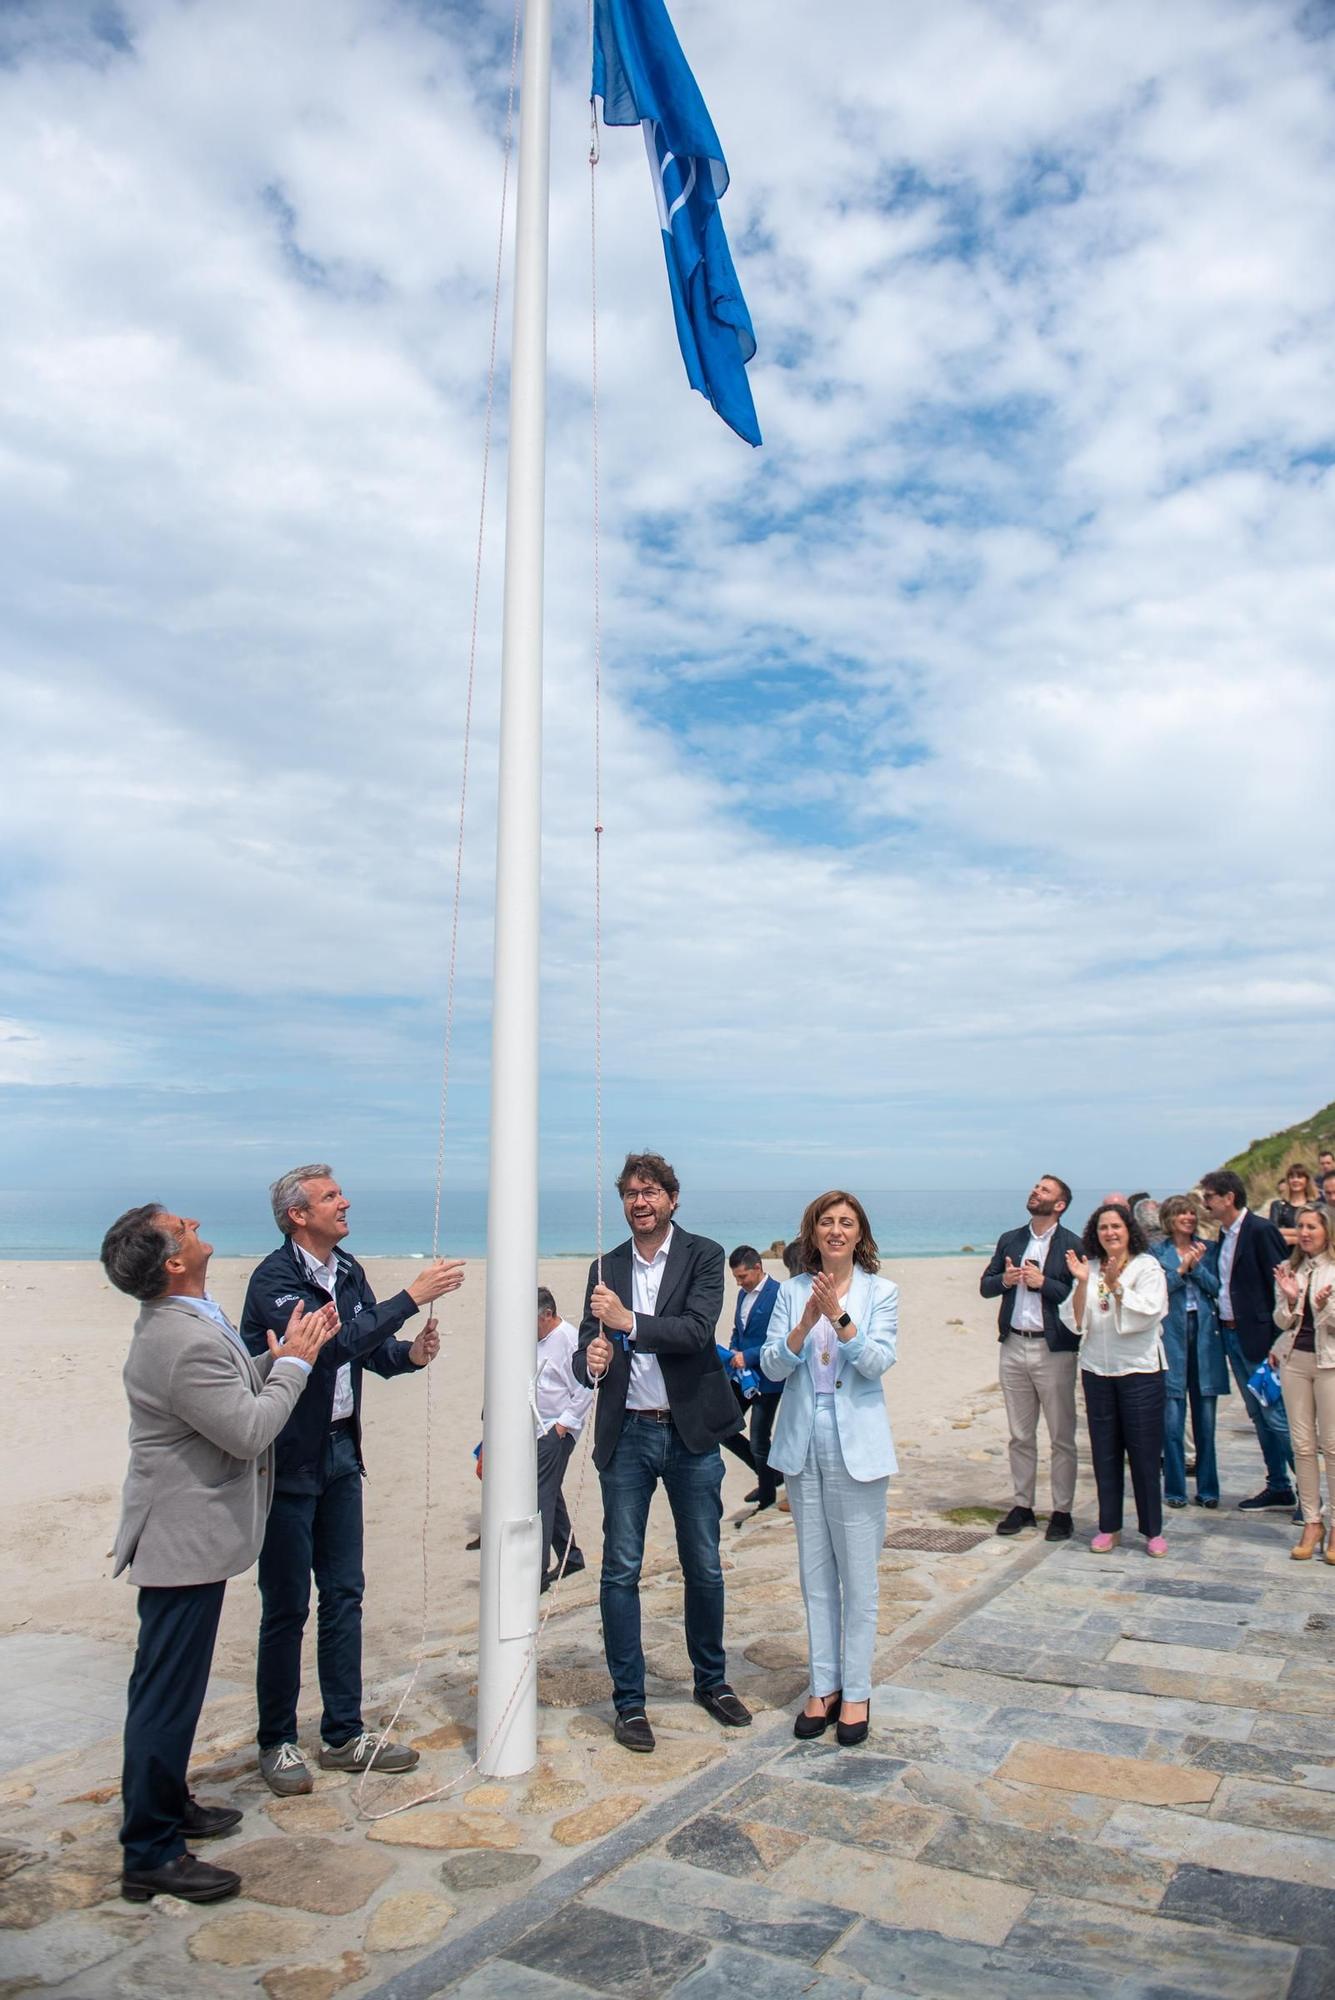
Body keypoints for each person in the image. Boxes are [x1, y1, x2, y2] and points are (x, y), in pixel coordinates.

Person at [102, 1205, 338, 1904]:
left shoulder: (188, 1321)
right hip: (182, 1539)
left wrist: (278, 1353)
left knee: (172, 1688)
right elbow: (248, 1429)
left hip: (193, 1536)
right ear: (173, 1262)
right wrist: (294, 1363)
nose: (199, 1221)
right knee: (166, 1697)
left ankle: (169, 1804)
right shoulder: (177, 1340)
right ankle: (149, 1850)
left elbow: (226, 1389)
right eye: (183, 1224)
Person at [240, 1165, 465, 1795]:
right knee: (285, 1607)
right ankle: (277, 1741)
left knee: (345, 1596)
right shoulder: (274, 1280)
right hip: (287, 1461)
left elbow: (370, 1352)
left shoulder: (349, 1270)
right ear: (298, 1216)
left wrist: (410, 1355)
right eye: (331, 1197)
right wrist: (410, 1298)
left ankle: (343, 1734)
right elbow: (329, 1347)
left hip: (342, 1452)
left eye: (340, 1193)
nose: (345, 1203)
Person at [574, 1152, 750, 1754]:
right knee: (620, 1569)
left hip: (691, 1434)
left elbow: (698, 1332)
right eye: (630, 1194)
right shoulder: (605, 1264)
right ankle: (629, 1703)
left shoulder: (704, 1255)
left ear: (672, 1198)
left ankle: (712, 1681)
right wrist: (590, 1359)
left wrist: (628, 1323)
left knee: (703, 1564)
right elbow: (583, 1347)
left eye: (649, 1192)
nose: (639, 1202)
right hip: (626, 1436)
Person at [761, 1191, 898, 1748]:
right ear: (812, 1232)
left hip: (856, 1442)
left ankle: (858, 1690)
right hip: (803, 1438)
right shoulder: (790, 1292)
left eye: (846, 1223)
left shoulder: (881, 1292)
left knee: (859, 1578)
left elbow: (877, 1362)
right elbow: (772, 1364)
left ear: (859, 1233)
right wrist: (804, 1323)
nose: (836, 1231)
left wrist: (839, 1319)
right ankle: (823, 1685)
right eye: (826, 1222)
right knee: (815, 1574)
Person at [1061, 1203, 1170, 1556]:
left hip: (1139, 1371)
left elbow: (1151, 1310)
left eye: (1116, 1227)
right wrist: (1082, 1283)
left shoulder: (1146, 1266)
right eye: (1103, 1227)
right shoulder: (1089, 1268)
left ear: (1129, 1230)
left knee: (1143, 1454)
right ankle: (1110, 1526)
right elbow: (1076, 1320)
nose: (1110, 1233)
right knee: (1104, 1452)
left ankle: (1152, 1530)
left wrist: (1116, 1286)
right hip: (1098, 1371)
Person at [979, 1175, 1080, 1541]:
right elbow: (985, 1286)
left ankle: (1062, 1511)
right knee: (1020, 1435)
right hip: (1013, 1345)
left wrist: (1043, 1284)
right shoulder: (1012, 1239)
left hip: (1054, 1350)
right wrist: (1005, 1280)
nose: (1035, 1192)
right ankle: (1023, 1505)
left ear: (1060, 1205)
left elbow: (1077, 1297)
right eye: (1036, 1187)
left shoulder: (1072, 1245)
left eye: (1045, 1190)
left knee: (1061, 1436)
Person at [1200, 1169, 1296, 1511]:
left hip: (1260, 1339)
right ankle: (1279, 1485)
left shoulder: (1260, 1230)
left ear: (1229, 1197)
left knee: (1277, 1414)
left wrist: (1277, 1343)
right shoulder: (1224, 1235)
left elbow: (1282, 1285)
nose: (1205, 1202)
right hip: (1231, 1335)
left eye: (1209, 1196)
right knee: (1258, 1413)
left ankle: (1310, 1495)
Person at [1154, 1196, 1230, 1510]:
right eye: (1181, 1212)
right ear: (1169, 1218)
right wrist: (1181, 1269)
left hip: (1204, 1336)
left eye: (1191, 1212)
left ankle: (1209, 1488)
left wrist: (1196, 1269)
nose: (1188, 1217)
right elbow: (1157, 1290)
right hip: (1172, 1334)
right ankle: (1174, 1488)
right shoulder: (1155, 1252)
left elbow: (1218, 1288)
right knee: (1172, 1419)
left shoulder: (1209, 1249)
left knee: (1206, 1419)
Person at [1272, 1207, 1335, 1562]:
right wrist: (1293, 1298)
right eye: (1301, 1226)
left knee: (1333, 1445)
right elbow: (1280, 1320)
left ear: (1328, 1230)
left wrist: (1324, 1306)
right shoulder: (1291, 1268)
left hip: (1330, 1363)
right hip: (1296, 1362)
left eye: (1312, 1226)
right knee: (1303, 1446)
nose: (1305, 1232)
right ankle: (1312, 1521)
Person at [535, 1287, 593, 1590]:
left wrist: (563, 1425)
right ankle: (571, 1556)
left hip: (557, 1429)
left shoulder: (569, 1339)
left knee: (539, 1493)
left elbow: (586, 1384)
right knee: (550, 1489)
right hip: (534, 1425)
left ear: (547, 1314)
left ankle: (538, 1571)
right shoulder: (534, 1338)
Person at [727, 1246, 785, 1511]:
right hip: (741, 1375)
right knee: (723, 1426)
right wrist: (732, 1354)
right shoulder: (742, 1295)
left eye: (743, 1277)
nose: (739, 1282)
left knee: (760, 1439)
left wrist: (748, 1356)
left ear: (758, 1268)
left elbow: (783, 1341)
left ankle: (767, 1494)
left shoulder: (779, 1294)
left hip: (769, 1378)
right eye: (736, 1278)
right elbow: (738, 1330)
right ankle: (769, 1476)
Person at [1268, 1164, 1319, 1246]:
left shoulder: (1315, 1206)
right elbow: (1273, 1232)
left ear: (1307, 1181)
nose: (1295, 1180)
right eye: (1292, 1177)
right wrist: (1303, 1237)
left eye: (1299, 1177)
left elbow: (1319, 1233)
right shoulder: (1278, 1206)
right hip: (1286, 1253)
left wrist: (1291, 1238)